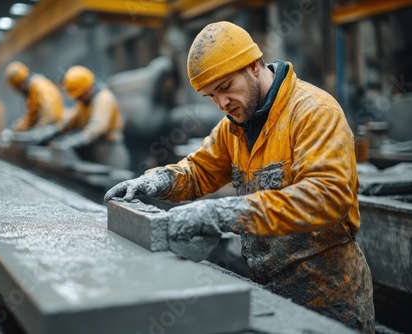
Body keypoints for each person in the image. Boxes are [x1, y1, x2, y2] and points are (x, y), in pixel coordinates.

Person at [104, 21, 375, 333]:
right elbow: (198, 172)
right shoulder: (233, 126)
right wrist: (155, 180)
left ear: (254, 65)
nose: (221, 104)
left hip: (327, 300)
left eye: (225, 88)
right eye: (210, 96)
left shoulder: (314, 112)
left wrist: (221, 213)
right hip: (268, 292)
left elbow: (327, 199)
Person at [47, 65, 130, 169]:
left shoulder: (104, 99)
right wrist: (51, 131)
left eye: (79, 95)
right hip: (96, 150)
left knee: (111, 184)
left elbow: (95, 130)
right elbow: (70, 121)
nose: (77, 99)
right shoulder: (84, 102)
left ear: (89, 89)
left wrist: (70, 142)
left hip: (109, 153)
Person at [3, 61, 65, 135]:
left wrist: (36, 131)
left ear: (24, 79)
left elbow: (50, 115)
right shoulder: (31, 92)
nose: (20, 89)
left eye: (20, 84)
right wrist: (14, 129)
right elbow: (31, 117)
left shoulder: (40, 85)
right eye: (16, 87)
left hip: (57, 128)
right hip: (49, 129)